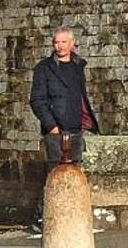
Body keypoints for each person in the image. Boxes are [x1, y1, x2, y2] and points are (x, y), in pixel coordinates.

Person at [27, 26, 100, 235]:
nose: (59, 46)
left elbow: (80, 96)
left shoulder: (78, 66)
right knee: (54, 173)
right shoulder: (44, 68)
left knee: (75, 172)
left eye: (63, 42)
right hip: (55, 130)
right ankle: (41, 218)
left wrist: (85, 122)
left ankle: (74, 217)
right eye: (56, 42)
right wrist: (51, 126)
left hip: (75, 127)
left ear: (72, 43)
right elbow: (37, 100)